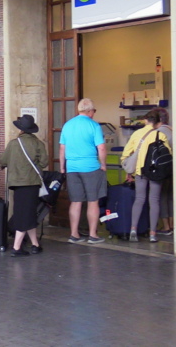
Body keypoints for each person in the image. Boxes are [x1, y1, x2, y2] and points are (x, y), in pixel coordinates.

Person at [59, 98, 107, 244]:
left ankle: (74, 234)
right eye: (94, 110)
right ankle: (93, 235)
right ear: (90, 111)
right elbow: (101, 148)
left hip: (72, 168)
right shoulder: (94, 125)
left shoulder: (67, 125)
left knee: (75, 201)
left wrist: (62, 167)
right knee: (93, 201)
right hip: (91, 167)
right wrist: (103, 164)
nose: (94, 113)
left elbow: (62, 148)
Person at [121, 109, 172, 243]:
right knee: (154, 200)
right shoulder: (161, 135)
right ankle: (153, 234)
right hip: (155, 172)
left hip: (140, 172)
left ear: (146, 120)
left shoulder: (137, 134)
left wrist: (129, 170)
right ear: (158, 122)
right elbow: (167, 154)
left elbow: (126, 154)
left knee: (139, 199)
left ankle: (133, 229)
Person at [0, 115, 48, 257]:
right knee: (25, 214)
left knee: (26, 213)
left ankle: (35, 245)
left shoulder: (13, 143)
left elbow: (2, 161)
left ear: (20, 129)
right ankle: (16, 247)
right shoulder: (38, 144)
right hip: (32, 183)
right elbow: (44, 163)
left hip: (16, 184)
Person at [154, 107, 174, 236]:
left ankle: (166, 227)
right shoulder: (172, 129)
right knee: (171, 197)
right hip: (173, 168)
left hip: (163, 169)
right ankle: (173, 225)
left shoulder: (159, 133)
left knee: (161, 197)